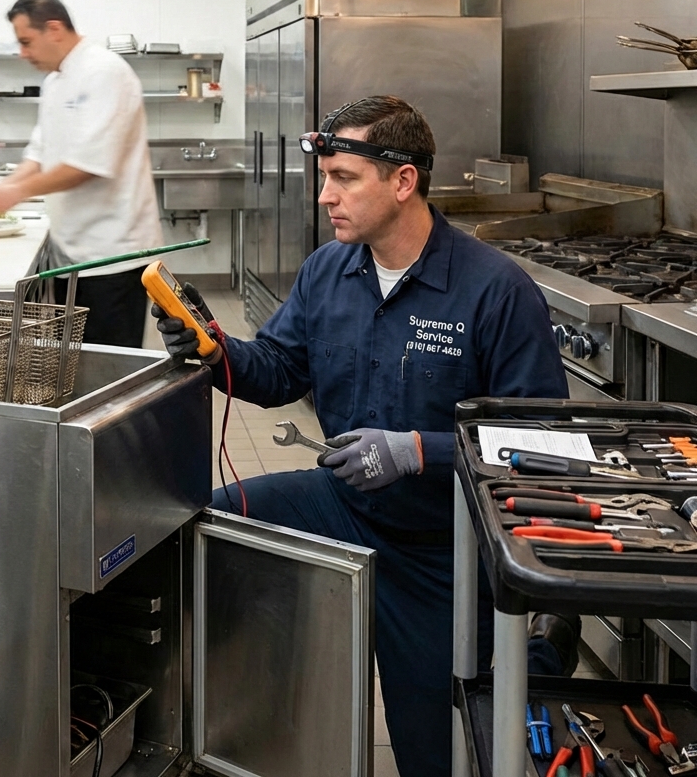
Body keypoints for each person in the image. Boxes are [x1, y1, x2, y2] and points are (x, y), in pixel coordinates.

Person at [154, 96, 576, 777]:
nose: (326, 197)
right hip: (341, 504)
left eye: (344, 178)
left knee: (430, 751)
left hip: (443, 547)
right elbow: (280, 369)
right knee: (206, 524)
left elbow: (538, 444)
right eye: (324, 177)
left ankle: (537, 651)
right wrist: (211, 349)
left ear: (403, 181)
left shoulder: (494, 291)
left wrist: (416, 452)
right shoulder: (330, 270)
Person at [0, 0, 164, 347]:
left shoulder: (105, 72)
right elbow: (40, 152)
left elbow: (90, 164)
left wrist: (16, 192)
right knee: (76, 362)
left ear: (55, 28)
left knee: (110, 371)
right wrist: (2, 188)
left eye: (27, 42)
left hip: (112, 257)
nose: (23, 52)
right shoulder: (54, 83)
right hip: (71, 255)